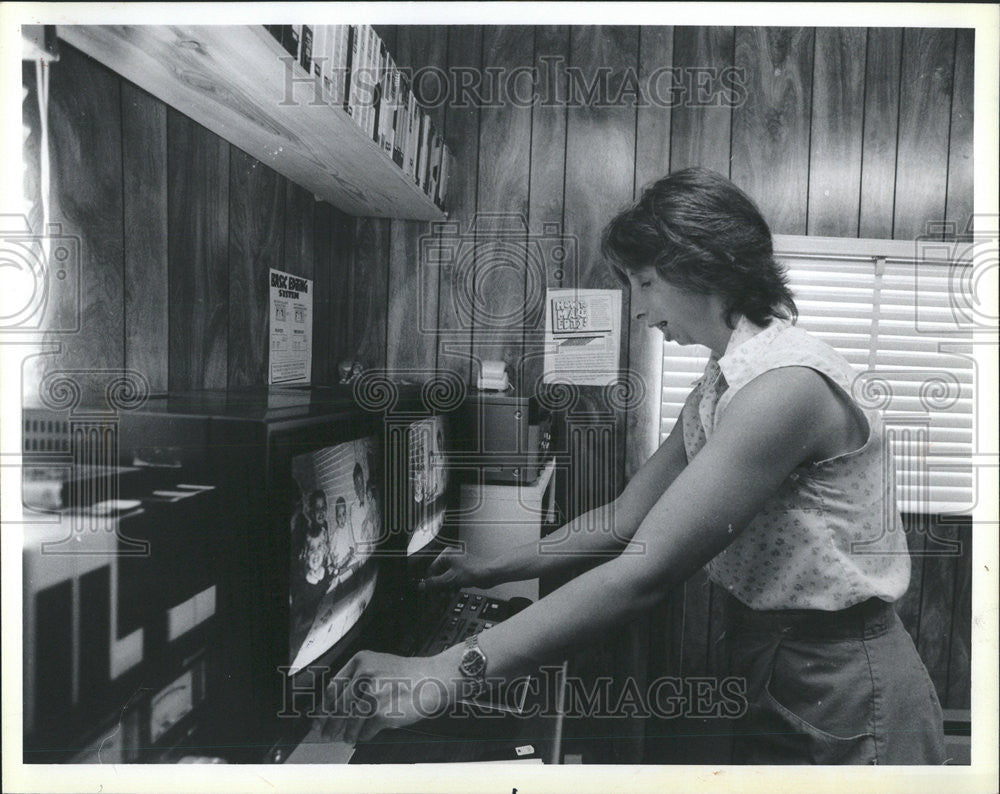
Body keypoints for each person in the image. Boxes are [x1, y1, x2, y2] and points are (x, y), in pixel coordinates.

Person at [316, 168, 946, 765]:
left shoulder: (784, 388)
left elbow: (642, 573)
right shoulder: (722, 385)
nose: (638, 310)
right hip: (774, 654)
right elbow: (623, 519)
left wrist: (442, 672)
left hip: (843, 673)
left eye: (645, 283)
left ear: (706, 267)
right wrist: (492, 565)